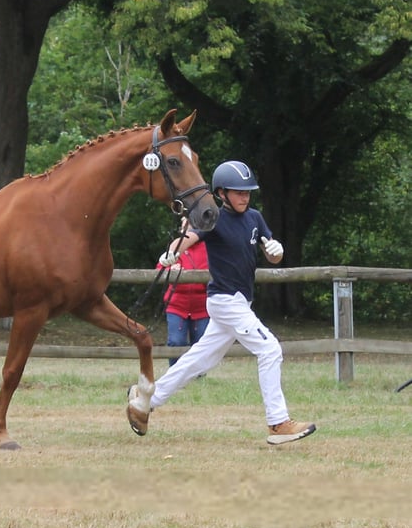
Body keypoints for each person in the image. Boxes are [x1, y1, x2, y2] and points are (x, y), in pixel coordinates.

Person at [130, 160, 316, 445]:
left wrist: (276, 251)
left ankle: (145, 401)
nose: (245, 197)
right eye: (238, 192)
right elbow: (189, 237)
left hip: (240, 302)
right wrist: (172, 252)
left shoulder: (255, 218)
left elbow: (272, 255)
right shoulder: (213, 218)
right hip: (225, 301)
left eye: (247, 192)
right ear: (221, 193)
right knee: (269, 349)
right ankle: (278, 423)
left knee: (199, 359)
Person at [157, 217, 209, 368]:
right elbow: (160, 268)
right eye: (184, 225)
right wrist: (170, 269)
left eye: (190, 224)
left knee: (200, 344)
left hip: (202, 306)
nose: (186, 228)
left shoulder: (209, 248)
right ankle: (175, 373)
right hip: (176, 305)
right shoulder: (175, 246)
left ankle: (199, 375)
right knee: (176, 342)